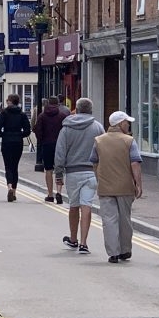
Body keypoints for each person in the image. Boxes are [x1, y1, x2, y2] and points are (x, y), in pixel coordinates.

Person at [54, 97, 104, 254]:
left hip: (73, 172)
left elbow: (60, 152)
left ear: (77, 108)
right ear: (91, 109)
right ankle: (84, 243)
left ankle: (73, 239)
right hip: (91, 172)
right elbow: (103, 150)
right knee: (87, 205)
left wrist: (58, 174)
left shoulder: (67, 128)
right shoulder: (98, 127)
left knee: (74, 206)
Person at [91, 111, 143, 263]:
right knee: (124, 219)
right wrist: (138, 184)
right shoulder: (129, 141)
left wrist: (98, 178)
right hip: (125, 187)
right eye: (127, 122)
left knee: (109, 220)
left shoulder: (99, 140)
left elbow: (94, 161)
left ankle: (113, 253)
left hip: (105, 186)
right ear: (120, 124)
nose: (128, 124)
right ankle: (125, 250)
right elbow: (135, 163)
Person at [0, 93, 31, 202]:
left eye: (7, 100)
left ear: (10, 101)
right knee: (15, 166)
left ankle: (9, 186)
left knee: (8, 166)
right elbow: (27, 131)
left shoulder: (4, 113)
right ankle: (14, 191)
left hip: (7, 142)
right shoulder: (22, 114)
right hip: (18, 142)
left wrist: (4, 135)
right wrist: (19, 135)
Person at [34, 96, 70, 203]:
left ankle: (50, 194)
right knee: (59, 168)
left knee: (48, 170)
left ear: (48, 103)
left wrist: (41, 141)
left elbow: (37, 130)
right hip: (60, 145)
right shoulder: (63, 116)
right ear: (58, 104)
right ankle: (58, 192)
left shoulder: (42, 116)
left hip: (47, 145)